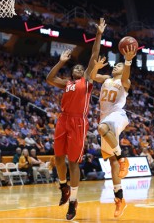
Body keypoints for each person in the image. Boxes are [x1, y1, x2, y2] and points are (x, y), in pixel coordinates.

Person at [46, 18, 106, 220]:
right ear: (72, 71)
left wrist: (98, 34)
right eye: (76, 68)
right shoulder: (66, 83)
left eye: (81, 69)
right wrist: (61, 61)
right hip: (63, 120)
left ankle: (73, 202)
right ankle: (63, 187)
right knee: (58, 159)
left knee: (73, 163)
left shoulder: (86, 81)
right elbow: (49, 79)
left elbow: (94, 55)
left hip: (78, 122)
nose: (79, 70)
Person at [89, 44, 136, 218]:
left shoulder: (124, 82)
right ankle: (120, 199)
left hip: (118, 115)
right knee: (112, 163)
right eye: (115, 65)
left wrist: (128, 61)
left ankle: (123, 157)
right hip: (106, 120)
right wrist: (96, 66)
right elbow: (93, 76)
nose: (116, 66)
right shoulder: (107, 79)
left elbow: (126, 75)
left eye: (120, 65)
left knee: (101, 128)